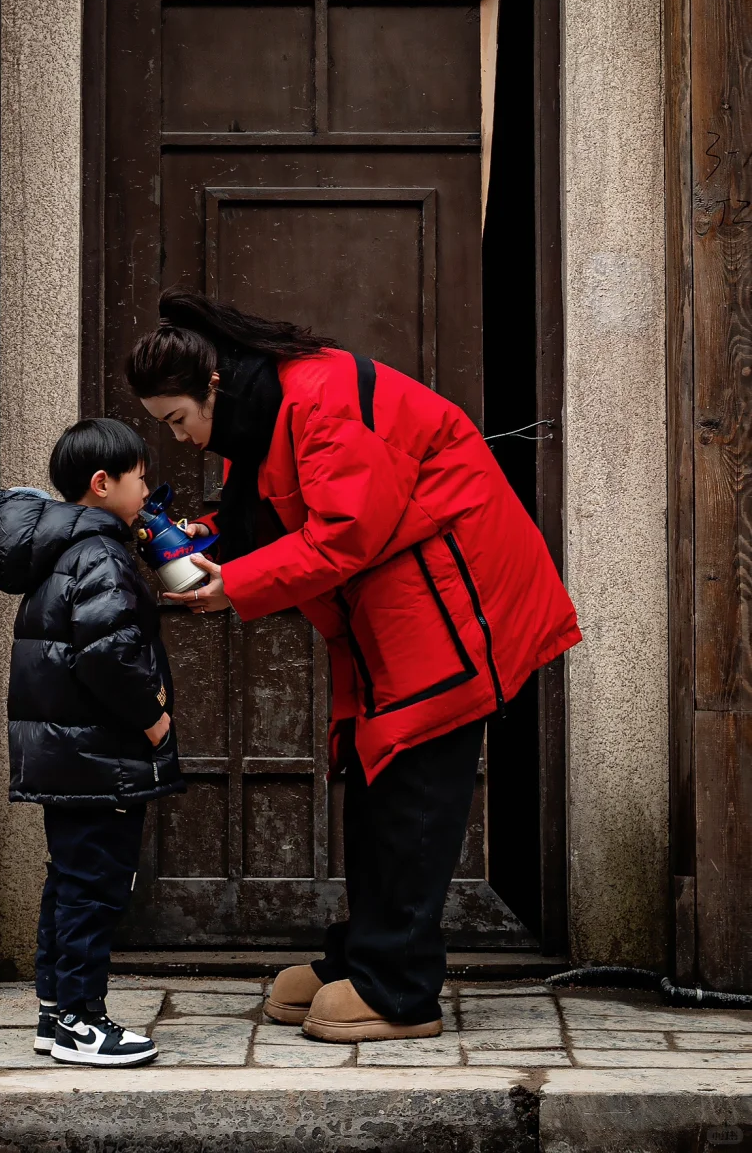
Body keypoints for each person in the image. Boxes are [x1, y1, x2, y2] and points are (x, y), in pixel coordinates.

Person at [126, 291, 581, 1045]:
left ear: (212, 385)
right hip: (405, 611)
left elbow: (344, 535)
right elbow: (264, 516)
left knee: (410, 799)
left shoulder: (320, 398)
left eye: (178, 421)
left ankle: (398, 989)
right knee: (375, 791)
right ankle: (361, 957)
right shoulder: (268, 408)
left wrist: (232, 585)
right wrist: (197, 539)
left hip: (455, 606)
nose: (185, 439)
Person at [0, 418, 183, 1067]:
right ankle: (79, 1022)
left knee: (71, 881)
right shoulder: (98, 552)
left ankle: (56, 1013)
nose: (147, 487)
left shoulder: (61, 548)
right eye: (139, 477)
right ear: (102, 484)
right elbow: (109, 653)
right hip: (101, 758)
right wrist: (154, 717)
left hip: (70, 754)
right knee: (94, 887)